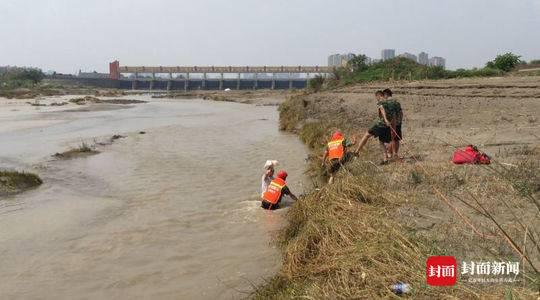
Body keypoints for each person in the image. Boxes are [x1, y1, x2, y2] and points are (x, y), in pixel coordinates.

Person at [354, 90, 392, 164]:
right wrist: (390, 122)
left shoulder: (381, 101)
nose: (376, 99)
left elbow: (382, 109)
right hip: (387, 126)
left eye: (376, 97)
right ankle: (385, 159)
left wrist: (385, 119)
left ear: (379, 95)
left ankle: (356, 152)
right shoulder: (388, 102)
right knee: (381, 142)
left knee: (366, 135)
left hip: (381, 124)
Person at [382, 88, 403, 159]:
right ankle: (396, 154)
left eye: (383, 95)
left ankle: (390, 154)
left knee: (391, 139)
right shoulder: (397, 102)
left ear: (386, 94)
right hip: (398, 122)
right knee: (397, 139)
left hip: (391, 123)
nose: (383, 97)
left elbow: (389, 114)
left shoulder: (387, 103)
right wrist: (399, 121)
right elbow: (401, 113)